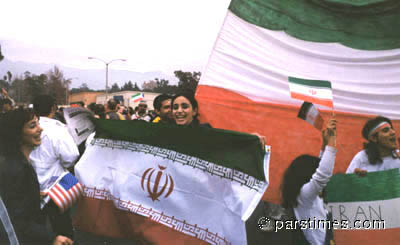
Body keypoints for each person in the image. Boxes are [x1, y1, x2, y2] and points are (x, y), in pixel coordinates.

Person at [0, 109, 73, 245]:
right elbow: (16, 220)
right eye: (32, 126)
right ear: (17, 133)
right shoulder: (16, 168)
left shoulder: (18, 161)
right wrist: (51, 238)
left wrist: (33, 194)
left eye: (38, 124)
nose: (40, 129)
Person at [281, 117, 337, 245]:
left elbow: (319, 172)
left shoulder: (309, 197)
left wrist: (324, 145)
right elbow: (322, 175)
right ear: (307, 175)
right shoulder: (305, 196)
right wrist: (332, 139)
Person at [30, 95, 79, 239]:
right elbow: (71, 156)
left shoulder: (25, 126)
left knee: (35, 230)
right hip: (56, 186)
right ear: (53, 108)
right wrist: (62, 164)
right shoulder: (57, 129)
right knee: (62, 227)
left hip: (32, 185)